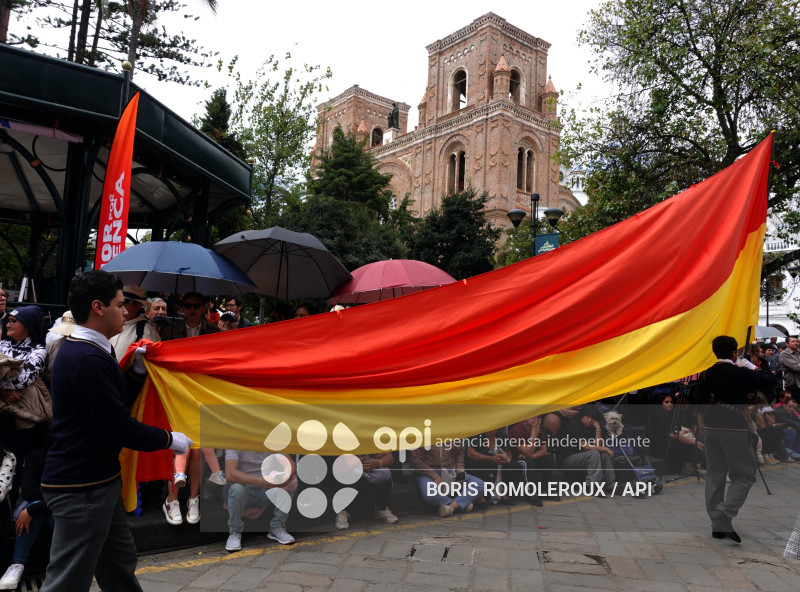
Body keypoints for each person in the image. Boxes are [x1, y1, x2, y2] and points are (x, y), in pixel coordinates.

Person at [39, 269, 191, 592]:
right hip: (82, 488)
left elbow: (113, 401)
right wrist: (170, 439)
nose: (126, 312)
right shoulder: (85, 358)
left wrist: (135, 372)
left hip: (99, 483)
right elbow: (119, 426)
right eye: (120, 305)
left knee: (119, 568)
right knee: (66, 582)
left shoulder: (95, 349)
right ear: (98, 307)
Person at [699, 335, 777, 544]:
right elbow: (770, 380)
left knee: (715, 474)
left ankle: (717, 524)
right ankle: (724, 514)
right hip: (733, 427)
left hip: (711, 426)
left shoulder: (706, 373)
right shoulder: (741, 372)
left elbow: (700, 398)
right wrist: (755, 365)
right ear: (734, 353)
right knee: (745, 475)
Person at [160, 291, 225, 526]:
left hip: (201, 397)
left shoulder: (214, 333)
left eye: (197, 305)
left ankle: (194, 499)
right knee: (177, 445)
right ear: (182, 307)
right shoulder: (168, 332)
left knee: (197, 449)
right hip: (176, 397)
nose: (192, 309)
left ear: (205, 308)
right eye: (188, 305)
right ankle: (172, 499)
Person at [223, 449, 296, 552]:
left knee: (290, 483)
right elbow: (230, 473)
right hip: (244, 488)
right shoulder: (235, 443)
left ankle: (277, 527)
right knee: (237, 488)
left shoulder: (270, 442)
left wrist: (283, 477)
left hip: (264, 488)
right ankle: (234, 532)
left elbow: (290, 465)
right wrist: (258, 481)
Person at [410, 442, 482, 517]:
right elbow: (416, 461)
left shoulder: (451, 434)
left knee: (480, 485)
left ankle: (451, 507)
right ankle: (460, 504)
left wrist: (460, 472)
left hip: (450, 471)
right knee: (431, 494)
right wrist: (435, 477)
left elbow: (459, 455)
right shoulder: (423, 436)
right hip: (427, 473)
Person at [558, 405, 616, 493]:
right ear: (582, 415)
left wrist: (598, 428)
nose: (589, 420)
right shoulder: (573, 424)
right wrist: (606, 448)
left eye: (592, 418)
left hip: (583, 458)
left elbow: (597, 445)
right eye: (587, 417)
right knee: (594, 453)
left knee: (603, 454)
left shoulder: (590, 427)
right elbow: (586, 446)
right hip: (568, 460)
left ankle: (611, 486)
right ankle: (592, 486)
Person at [109, 285, 159, 361]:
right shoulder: (109, 323)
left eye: (126, 302)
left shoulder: (147, 330)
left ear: (138, 306)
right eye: (119, 301)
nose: (122, 305)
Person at [780, 336, 800, 401]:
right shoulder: (784, 354)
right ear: (787, 343)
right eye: (793, 341)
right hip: (792, 384)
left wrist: (798, 363)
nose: (795, 343)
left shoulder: (798, 353)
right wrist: (797, 364)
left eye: (797, 341)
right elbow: (796, 368)